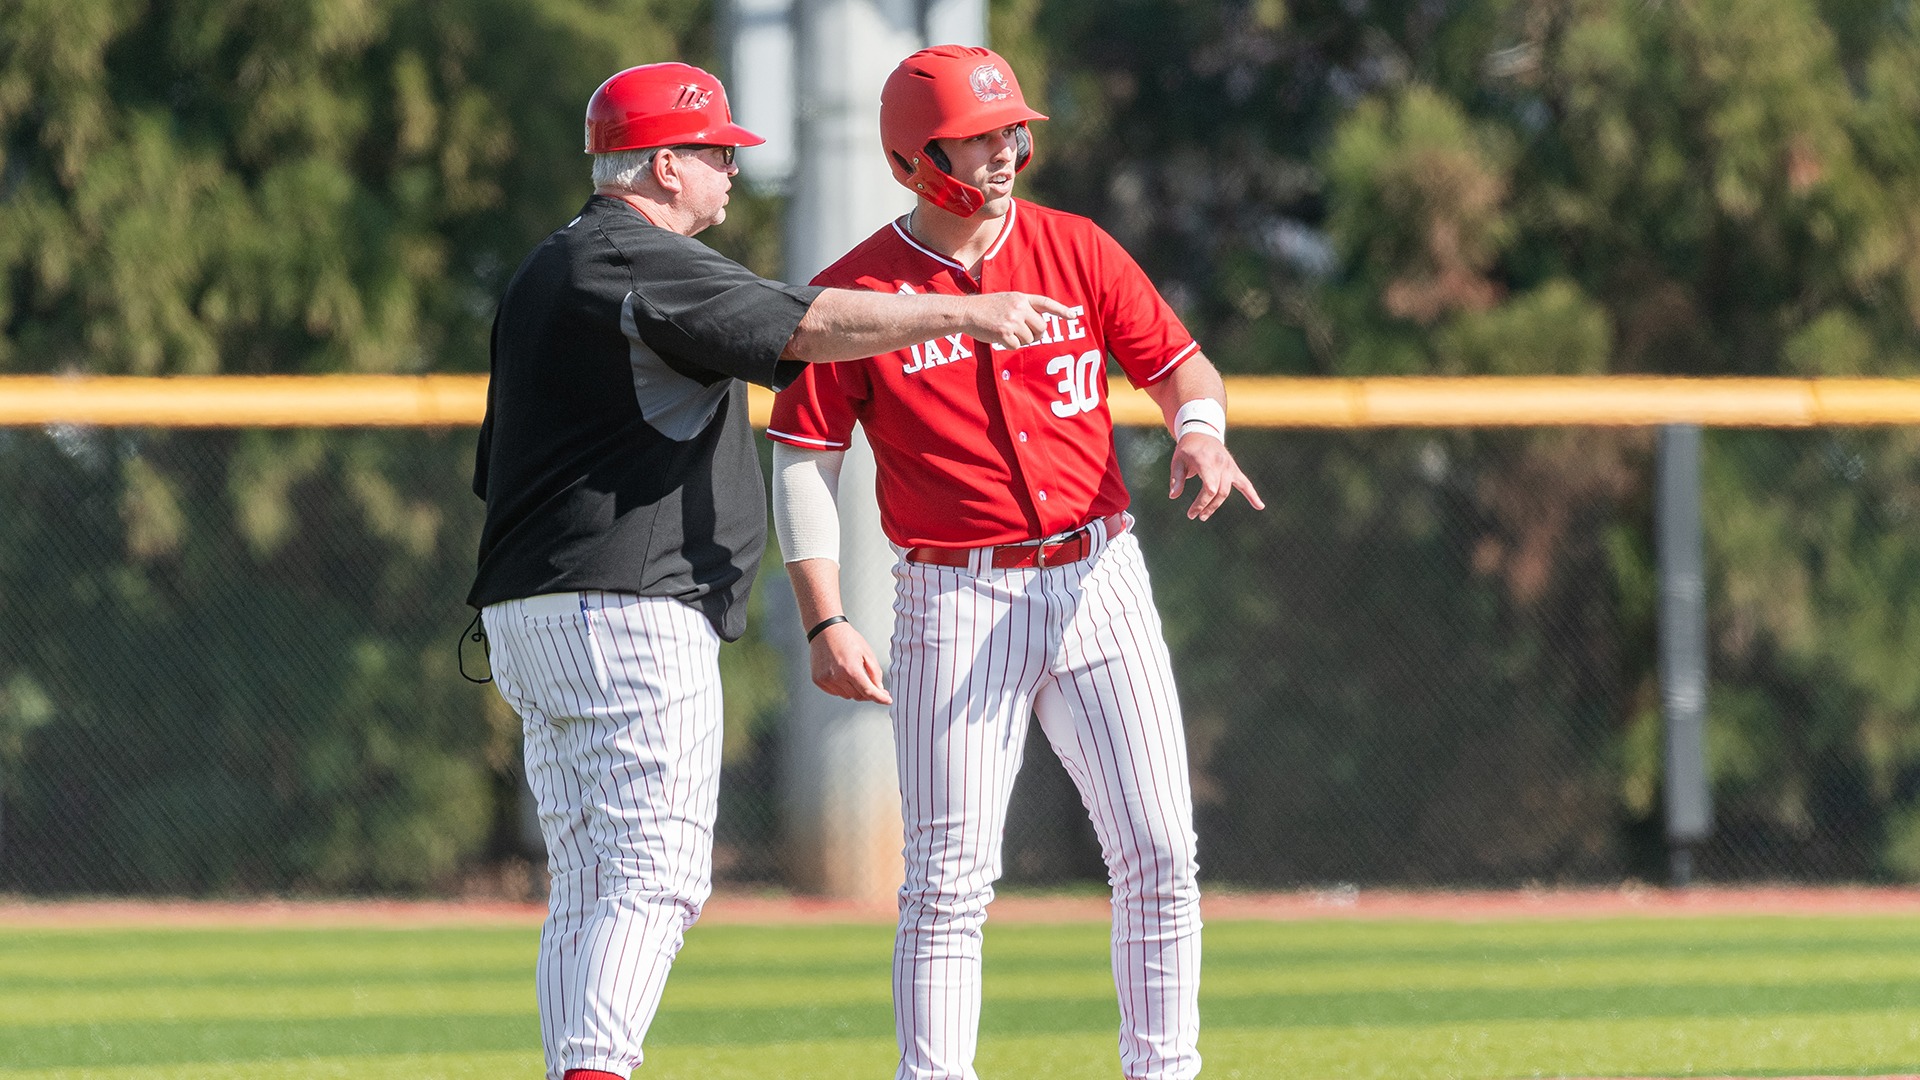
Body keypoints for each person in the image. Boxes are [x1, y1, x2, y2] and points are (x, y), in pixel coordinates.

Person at [467, 60, 1071, 1080]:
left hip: (533, 613)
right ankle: (594, 1070)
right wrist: (962, 313)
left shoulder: (548, 265)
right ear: (662, 164)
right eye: (715, 154)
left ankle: (581, 1065)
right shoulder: (637, 258)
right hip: (628, 614)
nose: (731, 171)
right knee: (656, 877)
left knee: (590, 883)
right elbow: (812, 324)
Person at [766, 44, 1264, 1080]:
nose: (1007, 147)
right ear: (917, 156)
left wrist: (1201, 430)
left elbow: (1180, 367)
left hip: (1099, 577)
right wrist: (823, 613)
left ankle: (1164, 1070)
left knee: (1163, 853)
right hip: (956, 591)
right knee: (948, 878)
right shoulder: (855, 291)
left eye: (1012, 127)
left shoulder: (1074, 247)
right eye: (982, 133)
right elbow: (804, 463)